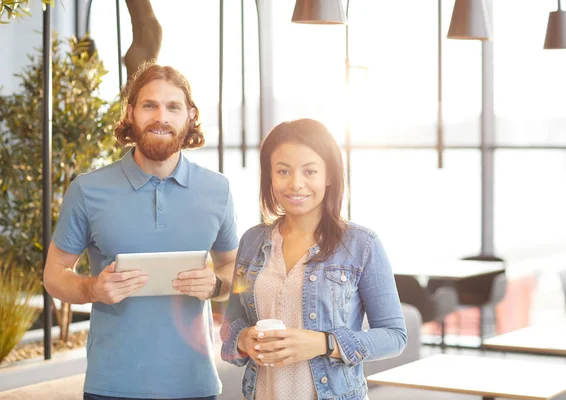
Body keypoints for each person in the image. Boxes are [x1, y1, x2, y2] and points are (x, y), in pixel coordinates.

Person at [43, 63, 238, 400]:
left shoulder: (217, 190)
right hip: (112, 386)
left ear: (190, 116)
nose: (161, 116)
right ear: (131, 113)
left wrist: (217, 284)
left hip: (195, 385)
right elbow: (54, 276)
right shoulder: (88, 190)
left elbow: (237, 270)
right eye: (149, 105)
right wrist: (92, 288)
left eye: (173, 107)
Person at [220, 118, 407, 400]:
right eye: (283, 171)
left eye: (309, 171)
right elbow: (230, 325)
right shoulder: (251, 242)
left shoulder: (362, 245)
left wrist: (323, 343)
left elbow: (395, 336)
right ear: (269, 175)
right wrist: (244, 339)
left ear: (328, 175)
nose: (296, 184)